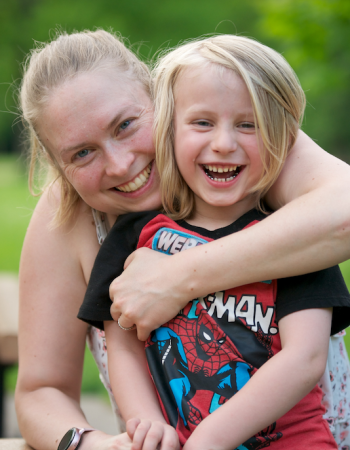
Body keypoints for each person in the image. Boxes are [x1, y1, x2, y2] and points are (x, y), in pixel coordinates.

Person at [15, 29, 350, 450]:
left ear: (163, 99)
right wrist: (97, 445)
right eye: (81, 153)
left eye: (126, 125)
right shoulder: (75, 218)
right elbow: (41, 391)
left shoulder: (248, 150)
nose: (120, 166)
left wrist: (175, 279)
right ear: (56, 163)